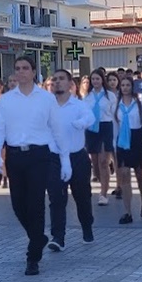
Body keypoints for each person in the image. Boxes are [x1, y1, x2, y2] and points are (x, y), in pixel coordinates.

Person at [0, 56, 69, 276]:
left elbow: (57, 129)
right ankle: (39, 237)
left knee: (35, 204)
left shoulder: (46, 98)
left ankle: (33, 257)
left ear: (34, 72)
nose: (21, 72)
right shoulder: (6, 100)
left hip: (39, 155)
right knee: (17, 205)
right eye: (17, 68)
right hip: (15, 156)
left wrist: (65, 159)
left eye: (25, 68)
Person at [46, 69, 95, 251]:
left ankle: (87, 226)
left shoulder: (78, 105)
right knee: (56, 198)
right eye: (54, 79)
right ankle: (58, 237)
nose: (57, 82)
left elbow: (90, 117)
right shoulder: (48, 106)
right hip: (54, 158)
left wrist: (81, 123)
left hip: (77, 157)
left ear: (69, 84)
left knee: (82, 196)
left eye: (61, 79)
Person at [113, 77, 142, 223]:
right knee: (123, 174)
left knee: (139, 174)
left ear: (132, 87)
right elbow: (115, 124)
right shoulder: (117, 105)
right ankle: (127, 211)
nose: (125, 87)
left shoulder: (140, 104)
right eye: (122, 85)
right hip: (122, 140)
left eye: (128, 85)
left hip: (136, 138)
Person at [83, 69, 116, 206]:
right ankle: (101, 176)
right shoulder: (88, 97)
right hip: (91, 129)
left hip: (105, 127)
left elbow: (114, 115)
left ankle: (103, 193)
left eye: (98, 79)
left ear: (103, 80)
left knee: (103, 161)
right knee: (95, 163)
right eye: (93, 79)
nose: (95, 81)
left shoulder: (110, 96)